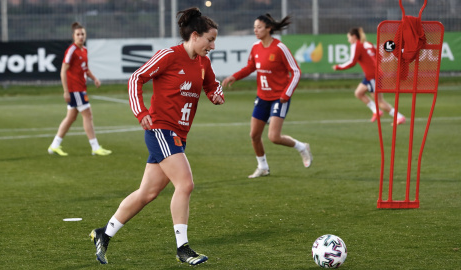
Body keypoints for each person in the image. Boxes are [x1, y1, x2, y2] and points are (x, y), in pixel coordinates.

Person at [89, 7, 224, 266]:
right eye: (210, 39)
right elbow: (136, 78)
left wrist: (215, 94)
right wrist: (140, 112)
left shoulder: (203, 63)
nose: (213, 45)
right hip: (161, 130)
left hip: (178, 135)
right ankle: (182, 249)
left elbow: (211, 85)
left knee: (147, 193)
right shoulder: (169, 56)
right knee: (185, 184)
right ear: (195, 36)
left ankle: (103, 234)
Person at [221, 13, 312, 179]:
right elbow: (250, 67)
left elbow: (296, 71)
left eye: (259, 27)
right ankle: (262, 167)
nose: (256, 30)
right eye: (254, 27)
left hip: (279, 97)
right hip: (262, 97)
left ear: (268, 28)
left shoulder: (280, 48)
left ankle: (302, 147)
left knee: (274, 137)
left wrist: (286, 94)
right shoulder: (256, 47)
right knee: (254, 135)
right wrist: (235, 76)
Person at [48, 22, 112, 156]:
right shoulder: (71, 50)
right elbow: (63, 71)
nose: (80, 36)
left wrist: (94, 78)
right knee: (88, 115)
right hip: (75, 90)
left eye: (82, 34)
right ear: (73, 36)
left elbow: (85, 68)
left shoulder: (84, 50)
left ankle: (54, 145)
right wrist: (66, 91)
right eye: (78, 34)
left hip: (80, 88)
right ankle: (95, 147)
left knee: (71, 117)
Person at [332, 27, 406, 125]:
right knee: (358, 93)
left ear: (354, 37)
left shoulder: (356, 45)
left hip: (373, 76)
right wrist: (374, 66)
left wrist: (338, 67)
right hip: (372, 75)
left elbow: (352, 62)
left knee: (379, 101)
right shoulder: (367, 44)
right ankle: (376, 111)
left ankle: (399, 117)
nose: (348, 40)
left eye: (349, 37)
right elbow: (379, 56)